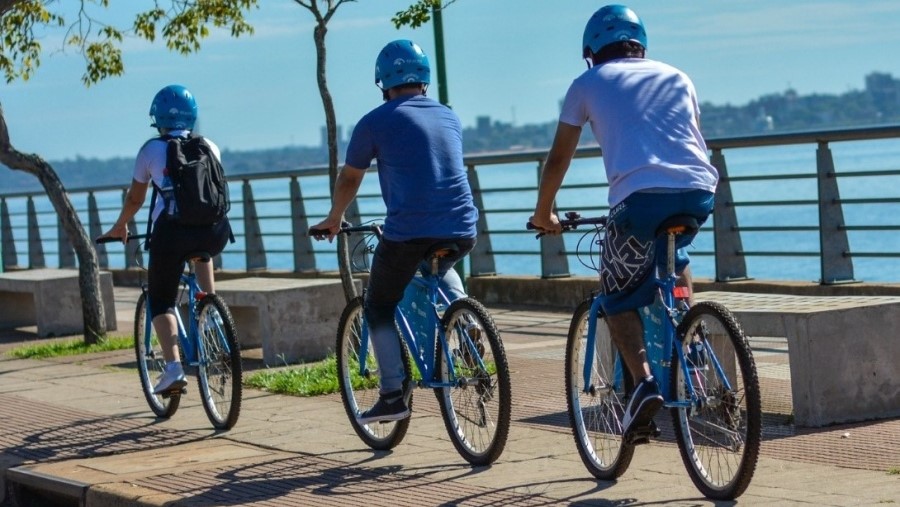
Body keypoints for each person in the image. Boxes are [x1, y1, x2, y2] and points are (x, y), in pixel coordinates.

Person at [530, 5, 718, 437]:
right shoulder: (678, 75)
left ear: (591, 52)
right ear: (642, 44)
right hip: (699, 192)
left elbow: (559, 156)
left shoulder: (587, 83)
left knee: (615, 296)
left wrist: (544, 212)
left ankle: (645, 386)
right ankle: (690, 338)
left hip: (638, 202)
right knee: (675, 249)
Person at [310, 39, 479, 424]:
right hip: (463, 228)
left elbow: (351, 176)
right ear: (424, 80)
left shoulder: (374, 122)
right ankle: (464, 317)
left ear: (383, 82)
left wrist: (334, 217)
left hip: (409, 232)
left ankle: (391, 394)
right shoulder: (448, 116)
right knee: (437, 259)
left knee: (378, 305)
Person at [98, 84, 232, 395]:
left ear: (158, 119)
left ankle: (173, 369)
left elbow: (135, 199)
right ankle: (209, 310)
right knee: (202, 252)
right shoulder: (210, 146)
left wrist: (120, 226)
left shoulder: (150, 150)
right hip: (215, 231)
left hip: (171, 235)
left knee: (160, 300)